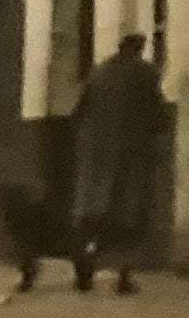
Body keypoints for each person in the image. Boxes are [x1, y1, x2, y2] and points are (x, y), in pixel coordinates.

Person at [69, 37, 163, 295]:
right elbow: (157, 113)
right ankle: (123, 276)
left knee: (93, 219)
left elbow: (78, 114)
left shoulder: (98, 74)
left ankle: (85, 269)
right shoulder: (144, 73)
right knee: (128, 221)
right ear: (139, 49)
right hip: (130, 159)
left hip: (96, 160)